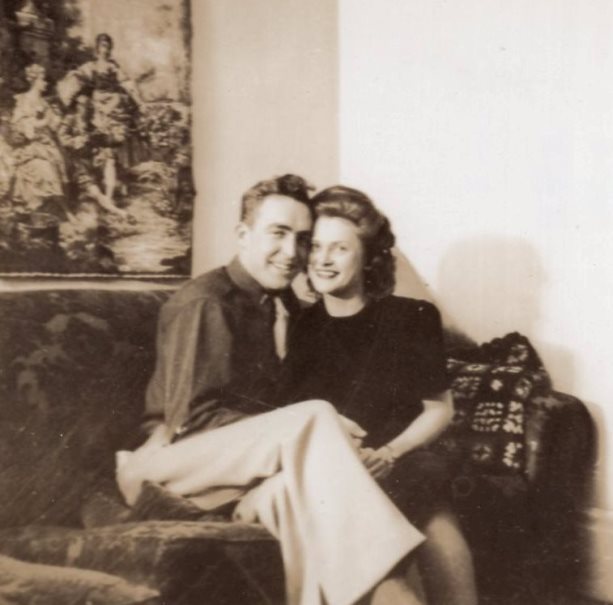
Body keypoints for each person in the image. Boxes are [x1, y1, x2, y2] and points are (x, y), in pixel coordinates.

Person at [115, 174, 425, 605]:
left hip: (235, 473)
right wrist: (315, 432)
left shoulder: (286, 306)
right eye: (277, 233)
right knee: (316, 417)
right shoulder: (208, 302)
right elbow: (191, 421)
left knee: (293, 498)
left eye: (303, 239)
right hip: (168, 464)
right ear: (244, 235)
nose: (292, 253)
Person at [281, 185, 478, 605]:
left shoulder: (412, 317)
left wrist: (389, 453)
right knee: (424, 524)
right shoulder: (299, 327)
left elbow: (439, 409)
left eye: (339, 248)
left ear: (369, 256)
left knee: (432, 516)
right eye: (315, 246)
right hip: (336, 466)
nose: (322, 259)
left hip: (403, 457)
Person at [58, 33, 143, 206]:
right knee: (95, 138)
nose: (105, 49)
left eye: (107, 46)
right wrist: (68, 90)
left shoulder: (113, 67)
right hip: (96, 103)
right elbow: (78, 77)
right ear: (97, 48)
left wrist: (139, 101)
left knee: (113, 143)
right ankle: (98, 184)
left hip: (111, 104)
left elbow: (126, 83)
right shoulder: (92, 66)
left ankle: (113, 185)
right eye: (102, 46)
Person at [10, 64, 71, 221]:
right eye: (43, 80)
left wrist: (60, 119)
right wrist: (42, 122)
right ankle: (61, 212)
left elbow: (54, 126)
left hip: (47, 145)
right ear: (34, 81)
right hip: (31, 147)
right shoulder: (24, 100)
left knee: (57, 167)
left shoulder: (45, 103)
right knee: (45, 172)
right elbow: (20, 125)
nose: (45, 83)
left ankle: (56, 211)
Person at [57, 94, 128, 218]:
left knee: (109, 159)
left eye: (88, 108)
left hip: (92, 159)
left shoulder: (90, 124)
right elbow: (62, 138)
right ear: (78, 107)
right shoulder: (70, 120)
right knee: (93, 190)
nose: (86, 111)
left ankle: (109, 199)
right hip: (77, 162)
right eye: (84, 107)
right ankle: (116, 211)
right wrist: (76, 141)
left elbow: (102, 140)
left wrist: (116, 139)